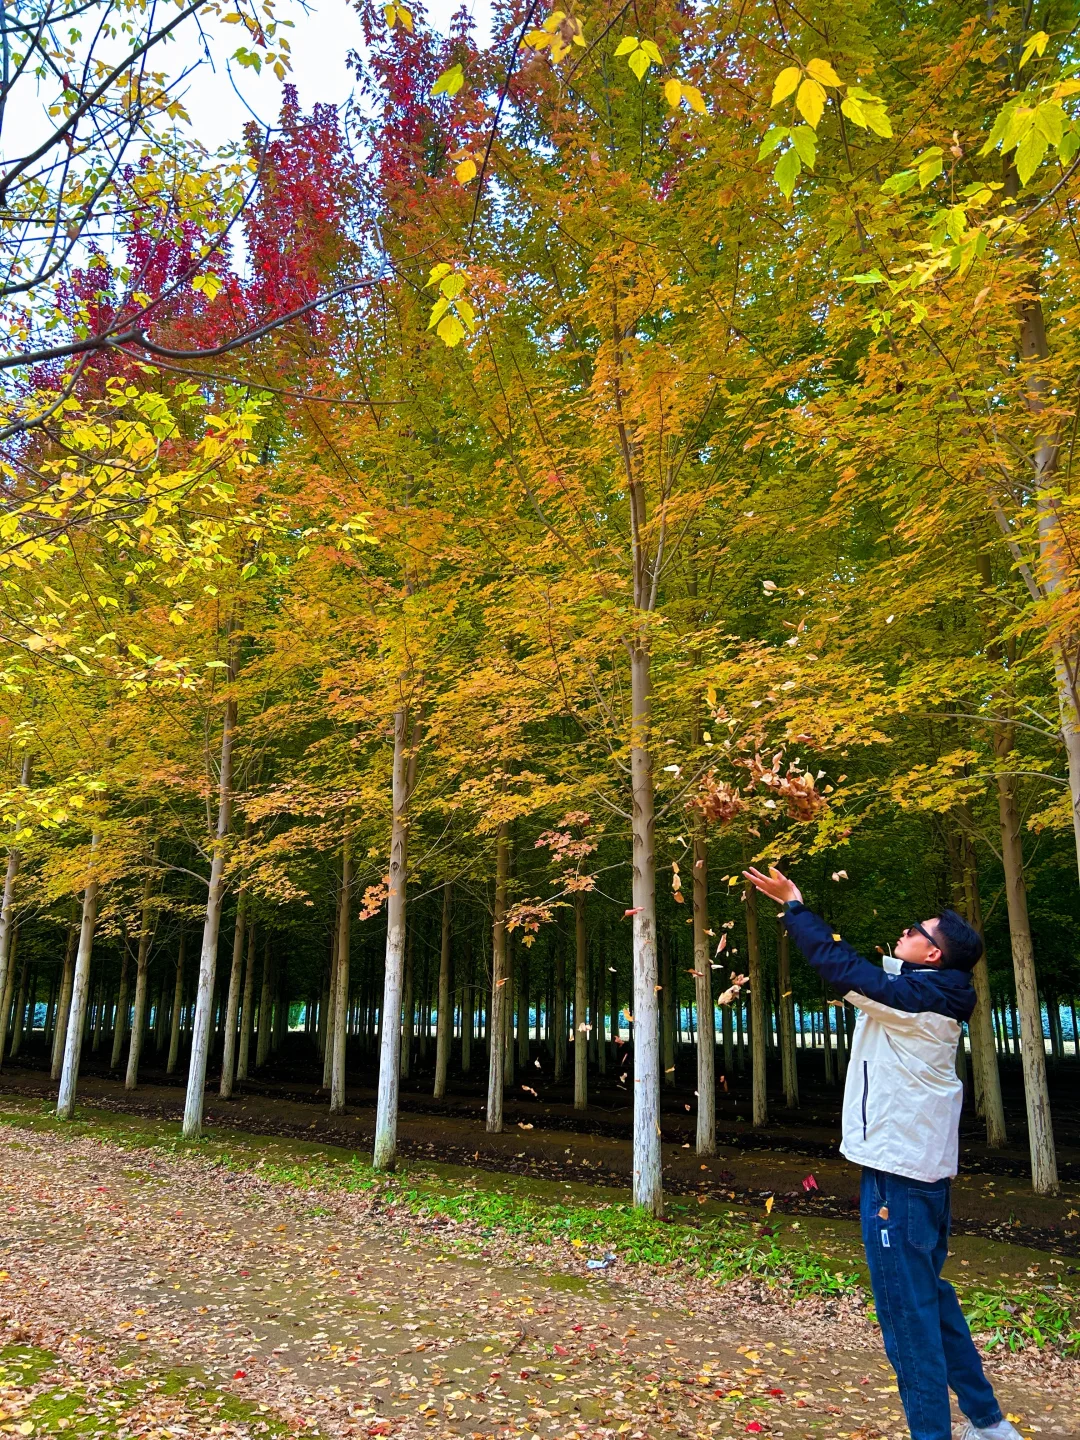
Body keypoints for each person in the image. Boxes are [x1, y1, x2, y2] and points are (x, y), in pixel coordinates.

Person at [742, 864, 1021, 1440]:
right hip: (919, 1175)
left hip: (900, 1178)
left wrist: (796, 906)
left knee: (906, 1319)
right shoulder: (932, 992)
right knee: (931, 1301)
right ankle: (990, 1425)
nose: (906, 931)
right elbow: (873, 971)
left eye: (918, 930)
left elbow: (843, 968)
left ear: (933, 956)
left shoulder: (917, 1001)